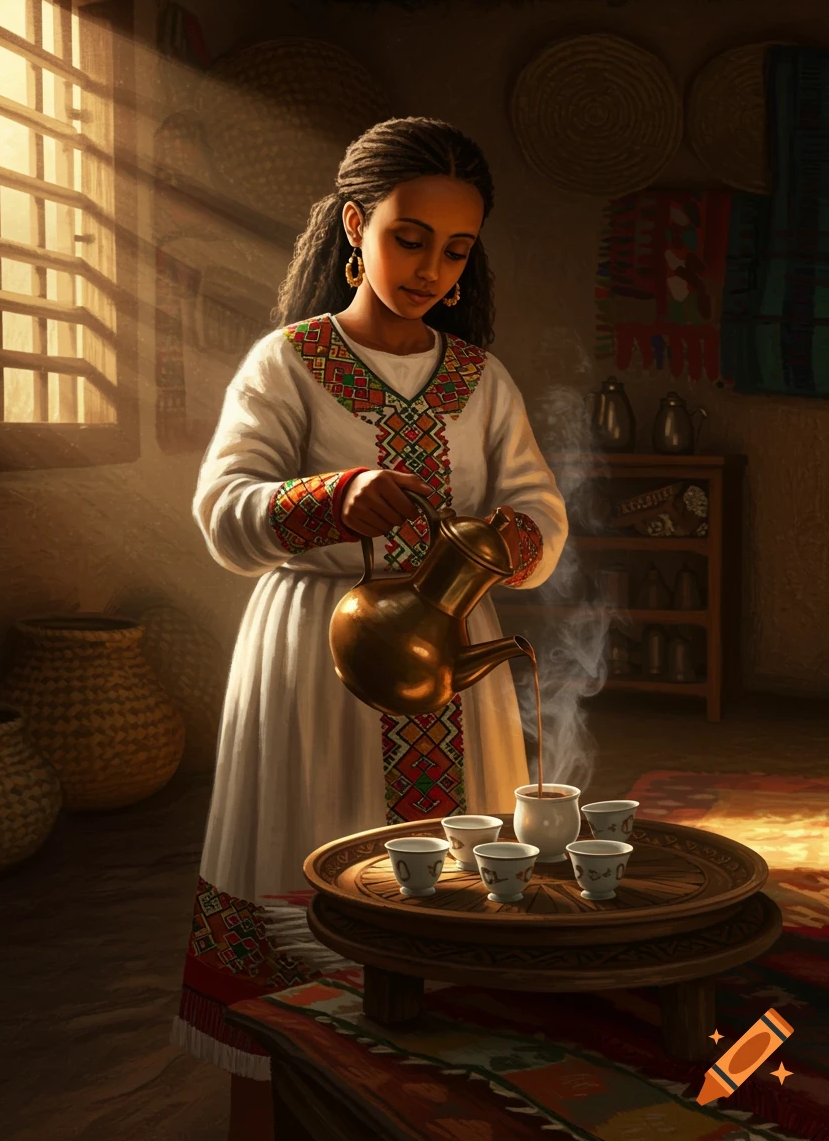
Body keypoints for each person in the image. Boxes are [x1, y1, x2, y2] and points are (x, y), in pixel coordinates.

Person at [170, 117, 569, 1130]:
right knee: (298, 875)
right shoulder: (288, 361)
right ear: (355, 225)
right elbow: (222, 510)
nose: (431, 269)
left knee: (460, 898)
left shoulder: (479, 379)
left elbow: (538, 506)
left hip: (451, 655)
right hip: (316, 660)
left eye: (456, 249)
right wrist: (332, 497)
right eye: (409, 237)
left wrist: (504, 537)